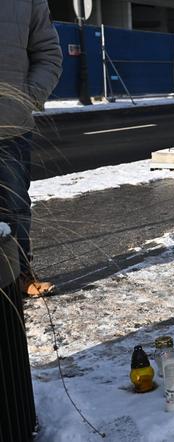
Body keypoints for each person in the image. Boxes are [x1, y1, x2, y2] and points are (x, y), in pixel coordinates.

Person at [0, 0, 63, 296]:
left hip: (11, 124)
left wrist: (25, 98)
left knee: (14, 208)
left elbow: (48, 53)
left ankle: (20, 276)